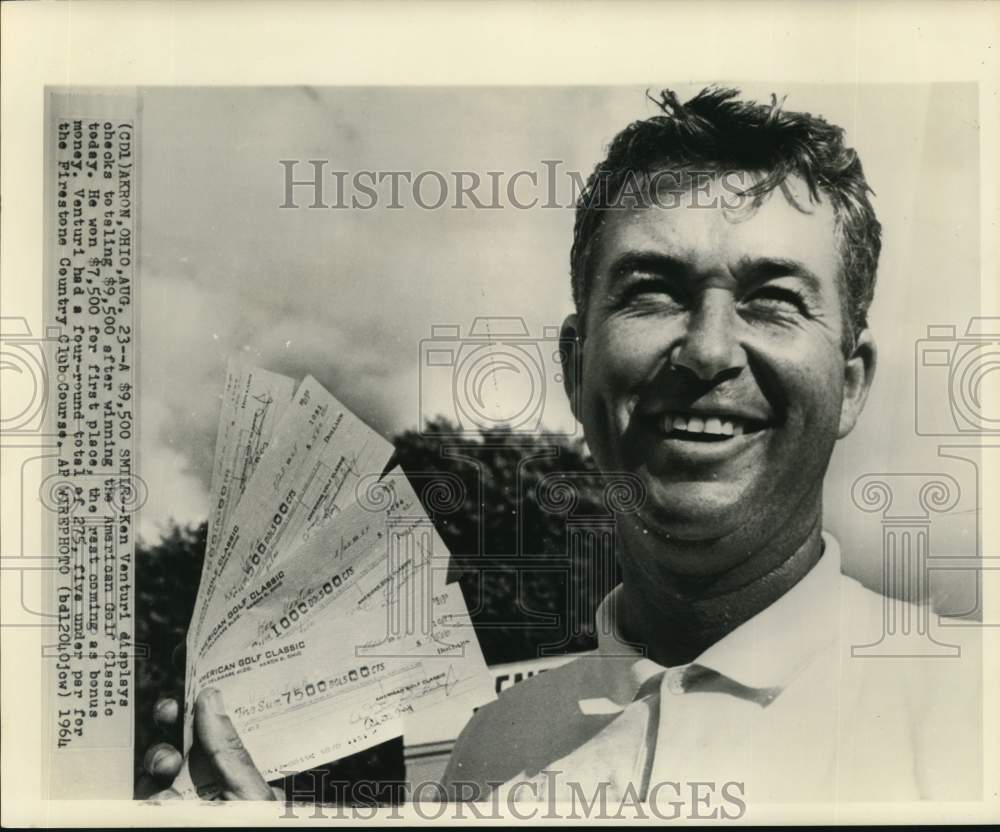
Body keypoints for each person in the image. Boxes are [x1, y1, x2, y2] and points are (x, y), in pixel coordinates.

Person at [138, 87, 980, 806]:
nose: (711, 350)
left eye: (773, 300)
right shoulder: (491, 753)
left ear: (854, 382)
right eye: (654, 292)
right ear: (575, 369)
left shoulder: (978, 708)